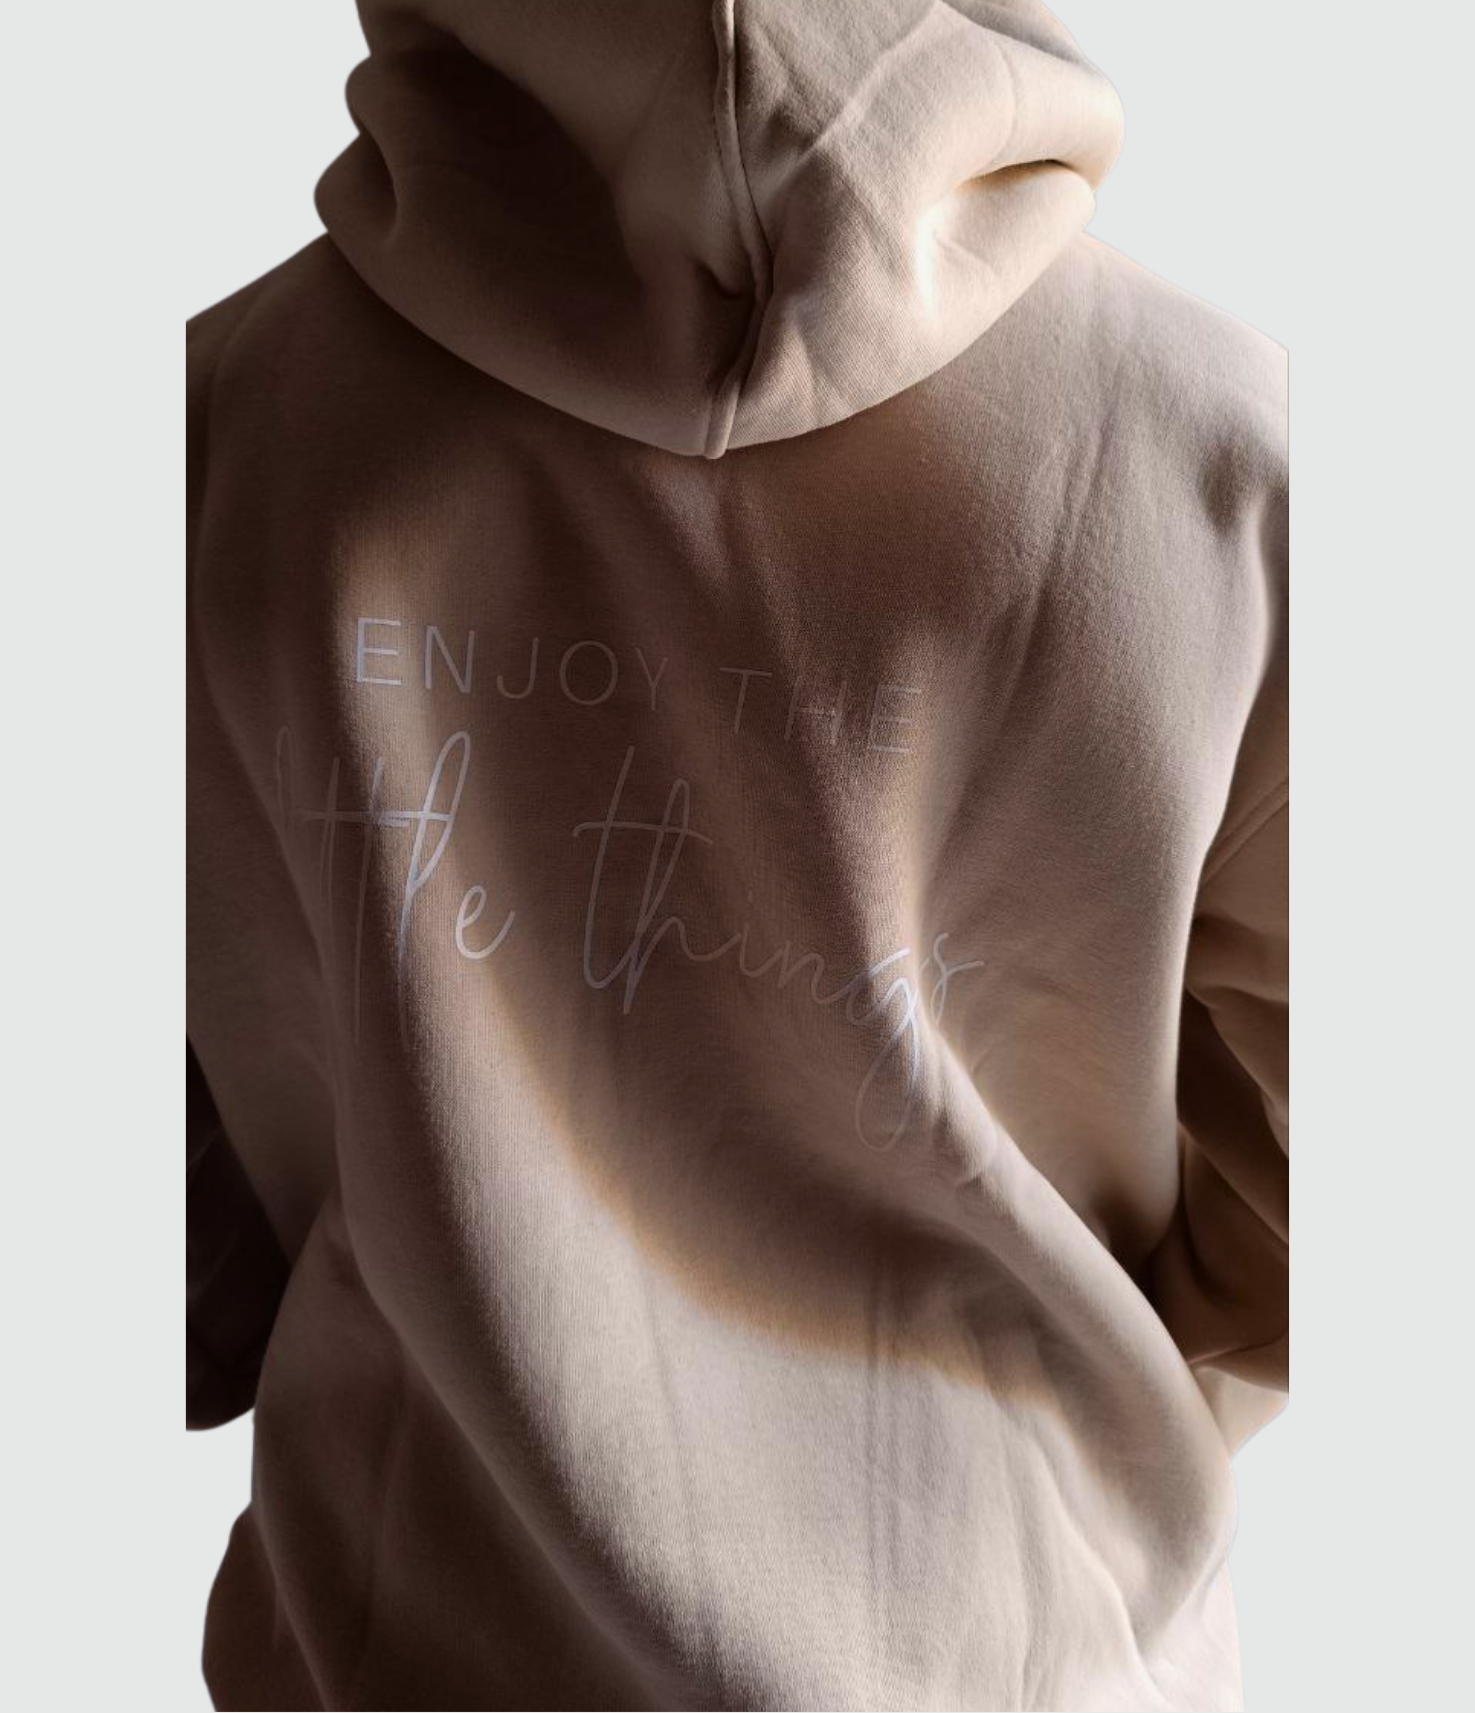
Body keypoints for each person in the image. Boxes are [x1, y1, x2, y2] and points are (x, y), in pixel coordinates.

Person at [186, 1, 1288, 1707]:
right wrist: (1065, 1436)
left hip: (399, 1651)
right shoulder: (1226, 447)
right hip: (1027, 1659)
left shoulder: (202, 436)